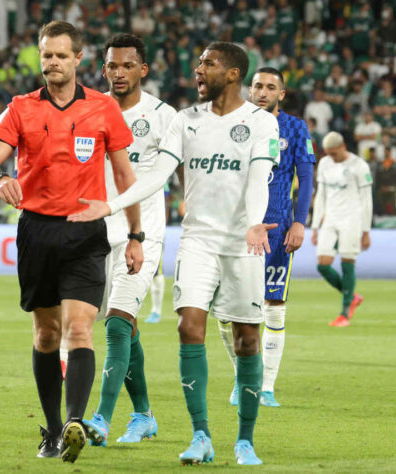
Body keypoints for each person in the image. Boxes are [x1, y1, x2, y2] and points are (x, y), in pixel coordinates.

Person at [67, 42, 280, 466]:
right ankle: (201, 434)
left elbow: (259, 178)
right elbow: (156, 174)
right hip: (197, 239)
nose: (197, 69)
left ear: (234, 74)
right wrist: (111, 207)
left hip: (242, 242)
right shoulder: (186, 121)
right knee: (188, 327)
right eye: (198, 61)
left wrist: (255, 221)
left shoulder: (260, 124)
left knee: (247, 339)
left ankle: (245, 439)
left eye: (207, 63)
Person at [0, 21, 142, 463]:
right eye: (46, 55)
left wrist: (136, 234)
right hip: (38, 230)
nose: (52, 62)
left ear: (78, 60)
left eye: (61, 55)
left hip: (86, 230)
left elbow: (126, 176)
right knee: (47, 334)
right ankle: (51, 430)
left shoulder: (104, 108)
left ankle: (74, 421)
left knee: (80, 328)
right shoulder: (20, 107)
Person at [73, 33, 177, 448]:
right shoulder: (87, 110)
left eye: (127, 65)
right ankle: (144, 415)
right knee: (123, 327)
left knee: (117, 324)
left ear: (143, 70)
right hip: (95, 236)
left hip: (143, 234)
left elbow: (178, 170)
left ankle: (100, 418)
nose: (119, 73)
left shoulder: (163, 115)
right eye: (112, 66)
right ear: (103, 69)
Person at [217, 67, 315, 408]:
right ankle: (242, 377)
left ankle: (267, 386)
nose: (262, 91)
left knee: (274, 308)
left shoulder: (296, 128)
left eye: (270, 87)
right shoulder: (233, 124)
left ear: (281, 94)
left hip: (276, 231)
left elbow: (306, 178)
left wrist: (300, 223)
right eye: (257, 85)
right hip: (236, 231)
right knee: (226, 313)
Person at [311, 131, 372, 327]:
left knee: (347, 261)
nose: (331, 157)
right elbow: (321, 195)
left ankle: (344, 314)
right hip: (330, 219)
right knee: (323, 264)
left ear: (343, 146)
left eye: (334, 153)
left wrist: (365, 230)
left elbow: (367, 200)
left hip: (352, 219)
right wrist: (314, 226)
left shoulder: (359, 166)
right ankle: (353, 296)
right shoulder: (325, 164)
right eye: (328, 153)